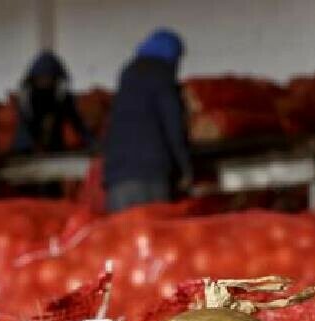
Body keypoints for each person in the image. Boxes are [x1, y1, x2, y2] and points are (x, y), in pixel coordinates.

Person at [103, 29, 192, 212]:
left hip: (117, 176)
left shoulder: (128, 73)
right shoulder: (162, 76)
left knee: (121, 236)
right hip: (150, 174)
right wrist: (185, 168)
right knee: (153, 233)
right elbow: (173, 126)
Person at [12, 50, 89, 154]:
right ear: (33, 78)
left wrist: (92, 143)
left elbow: (78, 124)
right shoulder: (26, 98)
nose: (45, 81)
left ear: (56, 78)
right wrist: (31, 147)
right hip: (27, 150)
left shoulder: (63, 97)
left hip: (55, 148)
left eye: (49, 77)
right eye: (41, 78)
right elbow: (24, 129)